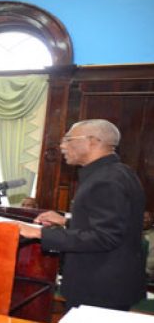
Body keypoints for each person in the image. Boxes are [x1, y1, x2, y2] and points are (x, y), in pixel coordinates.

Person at [18, 119, 146, 311]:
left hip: (99, 290)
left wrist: (39, 233)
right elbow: (114, 223)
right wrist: (66, 221)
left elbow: (104, 237)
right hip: (108, 285)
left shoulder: (106, 180)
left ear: (93, 141)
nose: (62, 146)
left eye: (68, 139)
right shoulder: (118, 172)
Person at [144, 211, 154, 278]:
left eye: (148, 218)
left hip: (148, 275)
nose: (145, 220)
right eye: (144, 218)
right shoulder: (130, 235)